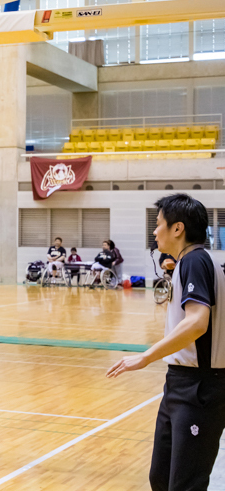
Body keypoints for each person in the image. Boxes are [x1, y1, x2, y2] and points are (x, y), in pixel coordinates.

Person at [107, 194, 225, 490]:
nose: (154, 231)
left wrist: (146, 356)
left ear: (178, 229)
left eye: (158, 224)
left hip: (200, 387)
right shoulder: (188, 262)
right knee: (160, 479)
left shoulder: (196, 261)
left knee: (185, 484)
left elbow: (198, 322)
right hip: (179, 384)